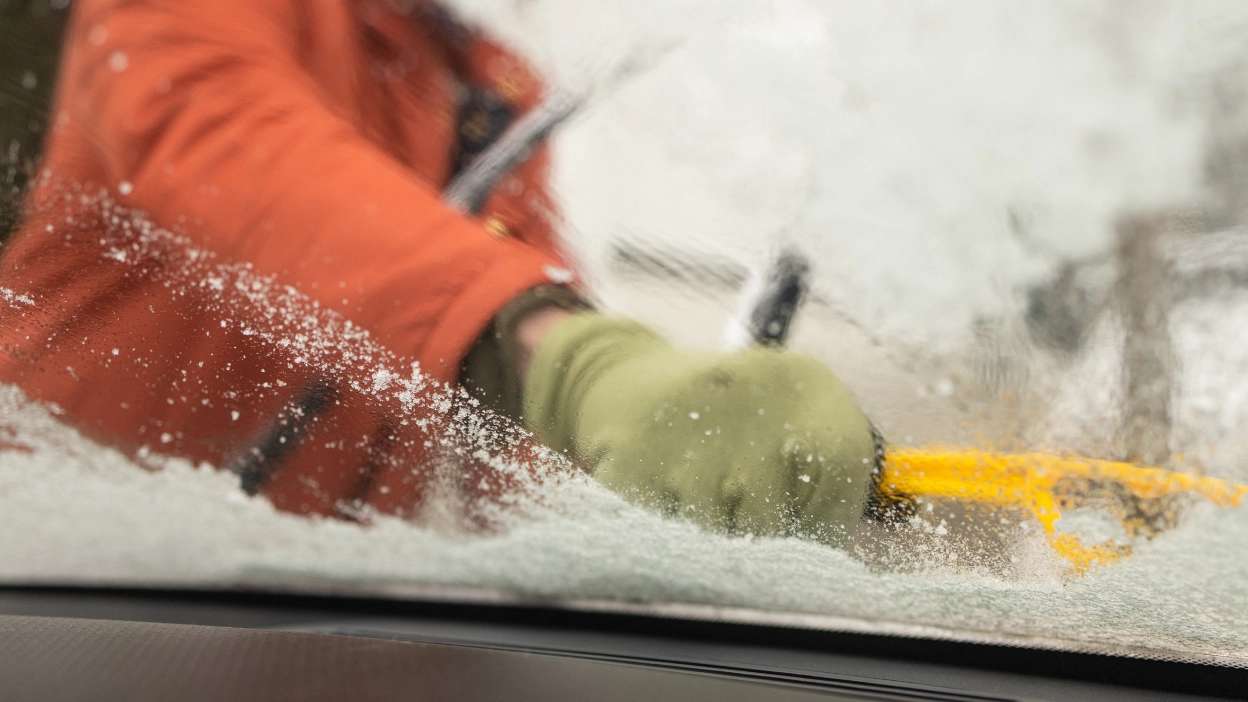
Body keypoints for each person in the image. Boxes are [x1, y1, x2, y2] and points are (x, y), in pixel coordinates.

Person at [0, 0, 880, 543]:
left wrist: (683, 461)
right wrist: (580, 360)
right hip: (61, 580)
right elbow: (235, 151)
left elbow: (518, 415)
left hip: (305, 611)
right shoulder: (182, 12)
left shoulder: (489, 86)